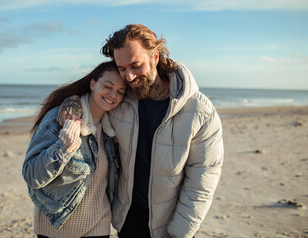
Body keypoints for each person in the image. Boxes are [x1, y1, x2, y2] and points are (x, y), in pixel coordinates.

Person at [58, 24, 224, 238]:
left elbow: (202, 180)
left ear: (155, 57)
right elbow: (93, 97)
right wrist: (72, 101)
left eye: (136, 66)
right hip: (127, 220)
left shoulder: (200, 111)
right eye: (122, 68)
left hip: (169, 225)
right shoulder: (120, 99)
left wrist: (179, 233)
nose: (128, 77)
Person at [22, 61, 126, 238]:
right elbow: (32, 176)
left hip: (98, 224)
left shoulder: (112, 129)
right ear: (93, 83)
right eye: (107, 86)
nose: (113, 95)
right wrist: (65, 146)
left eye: (120, 92)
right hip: (56, 225)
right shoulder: (60, 118)